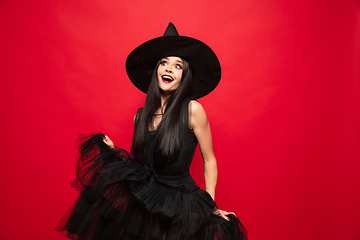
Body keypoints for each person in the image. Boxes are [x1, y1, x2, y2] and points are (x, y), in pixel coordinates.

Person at [56, 22, 247, 240]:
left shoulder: (193, 110)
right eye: (164, 63)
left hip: (180, 204)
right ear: (156, 70)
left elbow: (209, 160)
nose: (168, 69)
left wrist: (210, 206)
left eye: (178, 66)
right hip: (148, 201)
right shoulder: (140, 116)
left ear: (184, 75)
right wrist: (113, 154)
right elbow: (139, 168)